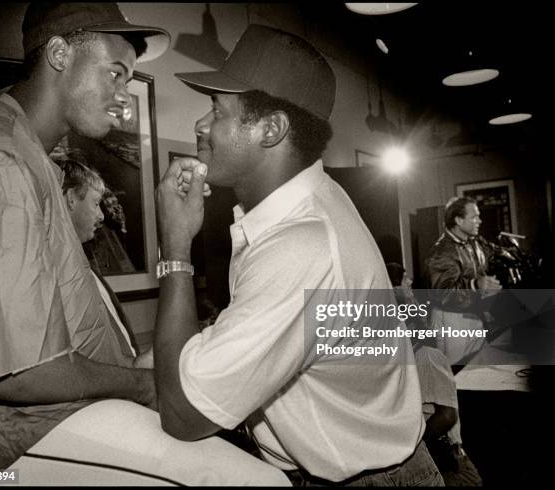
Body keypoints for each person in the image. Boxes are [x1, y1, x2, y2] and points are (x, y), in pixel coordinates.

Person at [141, 24, 443, 485]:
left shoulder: (300, 245)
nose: (201, 125)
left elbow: (184, 417)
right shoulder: (316, 201)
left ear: (272, 129)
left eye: (217, 110)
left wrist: (176, 247)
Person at [0, 2, 170, 470]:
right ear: (61, 54)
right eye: (115, 73)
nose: (123, 96)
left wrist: (129, 367)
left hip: (42, 424)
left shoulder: (29, 157)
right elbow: (20, 375)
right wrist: (143, 385)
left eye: (127, 80)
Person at [387, 263, 483, 486]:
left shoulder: (418, 357)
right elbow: (446, 415)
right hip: (443, 459)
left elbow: (445, 415)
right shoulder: (424, 355)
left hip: (442, 457)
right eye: (404, 280)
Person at [59, 158, 138, 356]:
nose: (102, 216)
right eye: (95, 204)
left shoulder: (83, 262)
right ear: (70, 199)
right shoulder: (63, 271)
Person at [426, 197, 502, 365]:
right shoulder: (442, 251)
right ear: (459, 220)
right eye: (474, 217)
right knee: (456, 378)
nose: (479, 221)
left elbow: (492, 255)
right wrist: (475, 285)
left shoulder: (473, 242)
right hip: (452, 321)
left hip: (473, 315)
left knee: (478, 369)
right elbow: (442, 293)